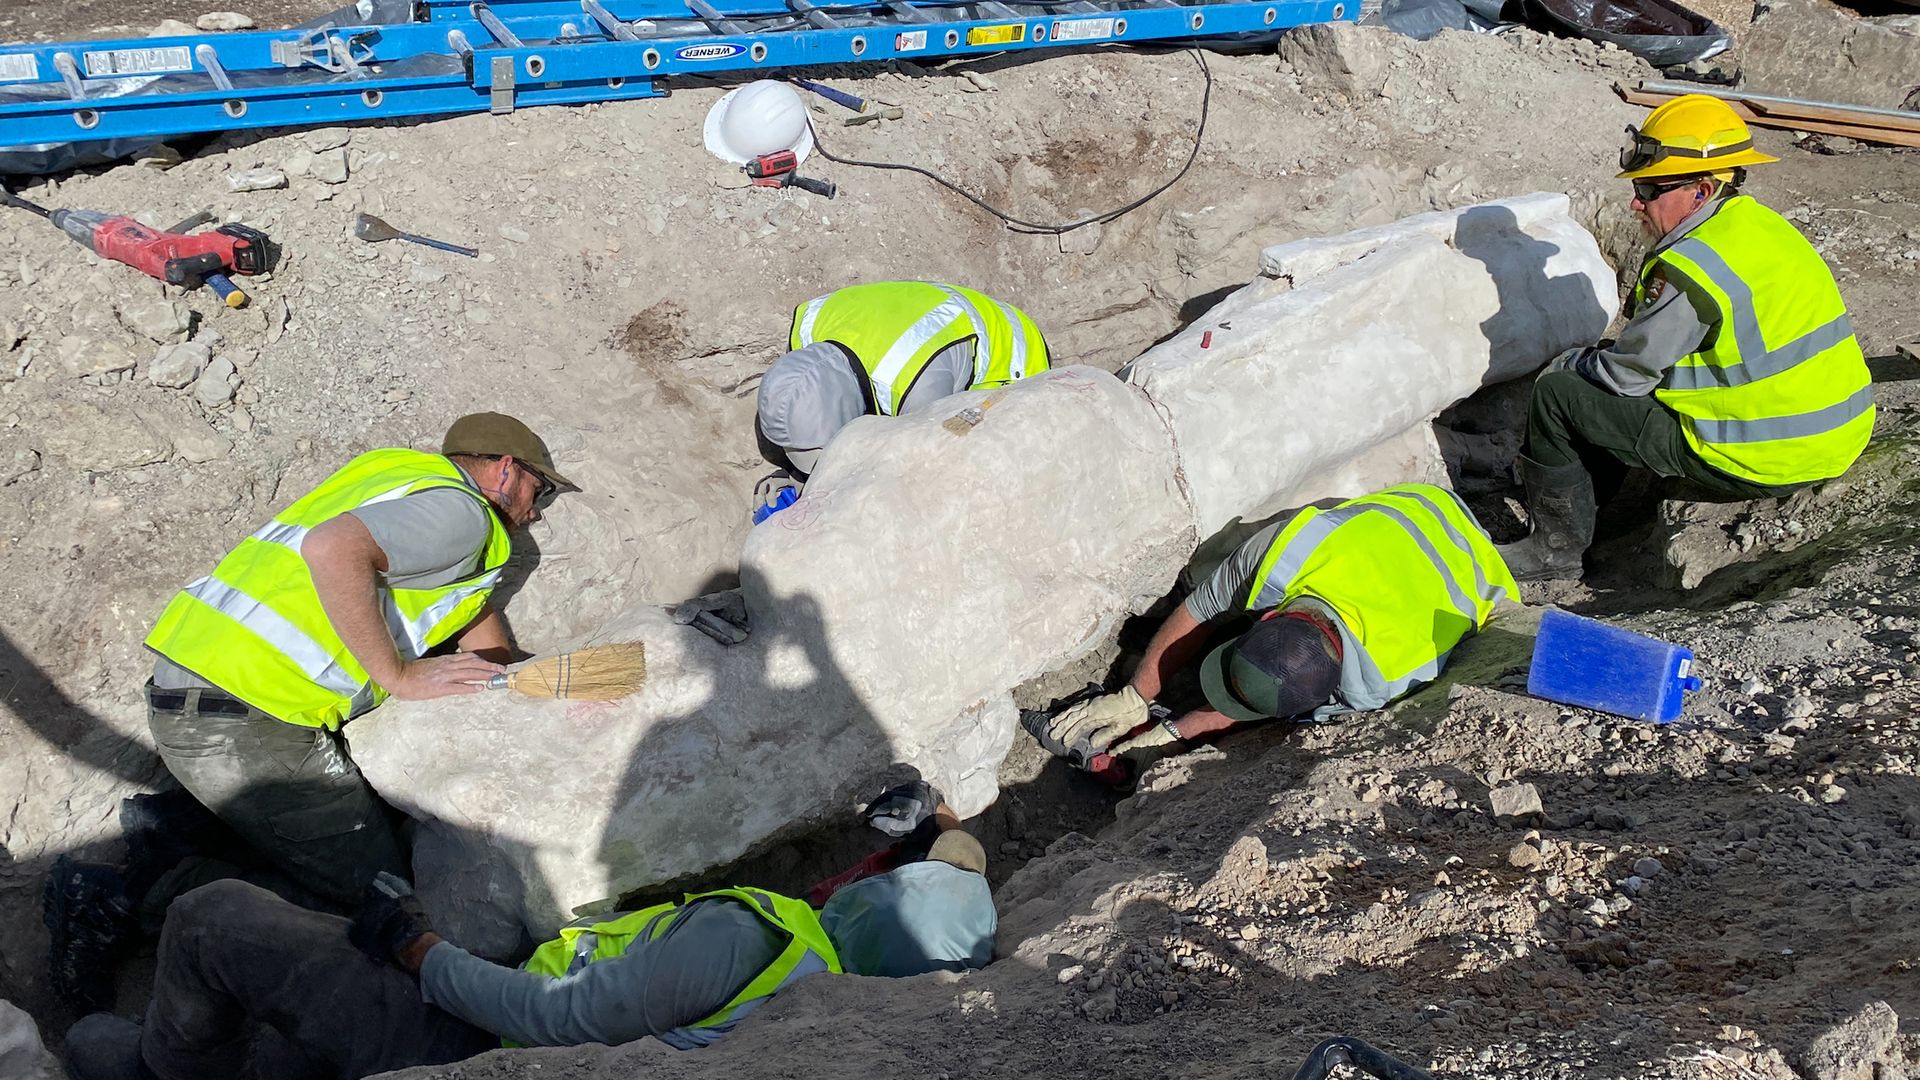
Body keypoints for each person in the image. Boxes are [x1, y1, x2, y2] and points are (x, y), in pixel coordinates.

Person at [45, 413, 573, 1012]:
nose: (539, 509)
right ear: (506, 469)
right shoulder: (463, 514)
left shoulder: (400, 482)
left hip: (207, 684)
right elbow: (335, 549)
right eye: (542, 489)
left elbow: (464, 609)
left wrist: (514, 680)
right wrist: (397, 676)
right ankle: (122, 899)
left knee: (344, 828)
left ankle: (181, 830)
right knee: (382, 906)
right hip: (244, 714)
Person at [61, 789, 996, 1080]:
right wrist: (950, 834)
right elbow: (948, 883)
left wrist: (418, 950)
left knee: (212, 913)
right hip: (517, 1006)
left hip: (475, 1036)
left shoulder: (748, 942)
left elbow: (551, 1019)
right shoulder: (845, 991)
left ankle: (166, 1069)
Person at [1500, 94, 1874, 581]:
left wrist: (1572, 363)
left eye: (1651, 188)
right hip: (1837, 432)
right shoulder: (1762, 227)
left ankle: (1553, 553)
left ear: (1701, 189)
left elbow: (1627, 377)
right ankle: (1604, 513)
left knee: (1558, 394)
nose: (1637, 201)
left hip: (1762, 454)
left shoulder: (1692, 268)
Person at [1036, 484, 1517, 769]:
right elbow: (1203, 607)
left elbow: (1274, 701)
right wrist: (1136, 695)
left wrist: (1177, 733)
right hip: (1420, 505)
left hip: (1483, 572)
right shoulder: (1285, 555)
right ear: (1267, 614)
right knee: (1214, 563)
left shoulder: (1381, 685)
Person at [754, 281, 1050, 497]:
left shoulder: (916, 387)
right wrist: (798, 476)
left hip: (1011, 354)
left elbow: (915, 476)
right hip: (923, 314)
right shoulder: (808, 328)